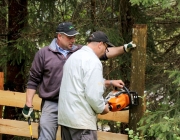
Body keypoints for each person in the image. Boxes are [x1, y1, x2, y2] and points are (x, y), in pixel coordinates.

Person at [22, 22, 136, 140]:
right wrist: (28, 103)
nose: (73, 40)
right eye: (69, 37)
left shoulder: (79, 51)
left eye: (74, 37)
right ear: (59, 36)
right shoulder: (44, 53)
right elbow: (33, 80)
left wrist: (124, 48)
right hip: (52, 103)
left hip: (72, 105)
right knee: (46, 137)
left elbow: (103, 53)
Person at [58, 31, 126, 140]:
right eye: (106, 47)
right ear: (100, 44)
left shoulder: (74, 57)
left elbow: (82, 83)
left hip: (66, 120)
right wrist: (103, 108)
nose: (105, 51)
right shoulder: (93, 61)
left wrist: (110, 82)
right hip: (82, 122)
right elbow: (93, 94)